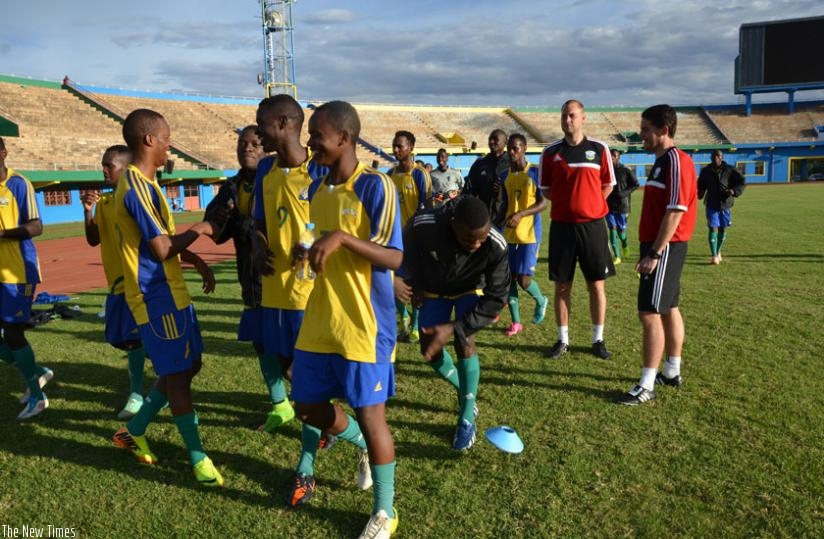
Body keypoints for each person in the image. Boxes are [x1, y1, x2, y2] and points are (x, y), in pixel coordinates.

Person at [290, 101, 402, 538]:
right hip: (321, 319)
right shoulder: (318, 187)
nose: (310, 142)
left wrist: (341, 238)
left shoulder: (376, 186)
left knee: (372, 415)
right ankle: (356, 442)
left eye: (317, 134)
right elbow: (322, 243)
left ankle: (385, 512)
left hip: (365, 324)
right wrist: (312, 248)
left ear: (345, 137)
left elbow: (394, 256)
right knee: (306, 405)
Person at [111, 109, 224, 487]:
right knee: (177, 376)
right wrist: (200, 229)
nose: (169, 146)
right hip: (155, 298)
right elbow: (160, 249)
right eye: (166, 139)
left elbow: (160, 242)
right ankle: (198, 458)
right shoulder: (136, 187)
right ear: (148, 140)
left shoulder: (148, 185)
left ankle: (136, 428)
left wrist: (195, 260)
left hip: (172, 293)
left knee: (188, 367)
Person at [250, 95, 346, 492]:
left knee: (306, 387)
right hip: (274, 295)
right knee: (294, 379)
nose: (257, 132)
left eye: (262, 124)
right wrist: (257, 245)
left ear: (285, 122)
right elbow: (257, 221)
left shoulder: (319, 170)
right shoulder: (265, 170)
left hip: (310, 295)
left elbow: (335, 226)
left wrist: (310, 243)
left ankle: (306, 468)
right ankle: (347, 431)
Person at [399, 196, 509, 450]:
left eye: (481, 238)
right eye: (470, 239)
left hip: (470, 289)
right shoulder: (423, 225)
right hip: (435, 290)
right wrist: (415, 281)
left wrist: (453, 327)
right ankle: (464, 389)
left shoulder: (494, 244)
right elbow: (408, 248)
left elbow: (496, 298)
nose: (477, 244)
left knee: (464, 339)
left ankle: (466, 417)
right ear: (452, 225)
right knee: (429, 349)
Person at [618, 104, 697, 406]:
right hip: (662, 245)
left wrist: (654, 253)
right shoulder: (663, 161)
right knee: (668, 308)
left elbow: (676, 212)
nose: (641, 136)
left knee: (649, 313)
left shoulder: (676, 161)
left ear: (664, 131)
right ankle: (672, 371)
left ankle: (646, 384)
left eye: (646, 130)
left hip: (664, 246)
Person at [204, 125, 282, 429]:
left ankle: (319, 412)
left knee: (291, 353)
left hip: (282, 279)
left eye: (254, 143)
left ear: (267, 150)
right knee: (260, 344)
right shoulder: (231, 187)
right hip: (250, 279)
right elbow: (218, 234)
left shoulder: (278, 178)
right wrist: (220, 219)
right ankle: (280, 404)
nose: (247, 148)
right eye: (242, 143)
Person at [539, 99, 616, 360]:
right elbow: (546, 189)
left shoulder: (599, 149)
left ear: (583, 118)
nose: (567, 120)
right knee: (562, 286)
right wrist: (568, 205)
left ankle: (598, 339)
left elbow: (608, 185)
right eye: (564, 116)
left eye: (572, 115)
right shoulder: (550, 153)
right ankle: (563, 339)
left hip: (593, 227)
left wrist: (590, 206)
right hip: (562, 228)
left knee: (596, 285)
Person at [82, 145, 147, 419]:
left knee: (140, 340)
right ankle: (157, 390)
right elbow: (93, 239)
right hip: (118, 285)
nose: (104, 170)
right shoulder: (106, 204)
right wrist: (88, 210)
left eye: (109, 165)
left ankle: (139, 394)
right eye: (103, 165)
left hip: (143, 283)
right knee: (127, 340)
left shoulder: (138, 199)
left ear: (125, 168)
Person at [0, 136, 53, 420]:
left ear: (4, 153)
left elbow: (36, 227)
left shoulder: (19, 184)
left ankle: (37, 395)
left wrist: (3, 234)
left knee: (13, 331)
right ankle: (37, 372)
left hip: (18, 271)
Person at [500, 133, 548, 337]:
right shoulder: (505, 175)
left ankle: (541, 300)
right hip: (509, 233)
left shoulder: (535, 172)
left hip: (529, 233)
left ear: (525, 148)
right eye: (509, 148)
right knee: (508, 279)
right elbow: (503, 204)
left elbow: (544, 202)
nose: (512, 152)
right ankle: (516, 322)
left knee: (524, 280)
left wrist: (521, 214)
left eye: (516, 148)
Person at [388, 130, 431, 343]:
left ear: (411, 148)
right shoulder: (389, 174)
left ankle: (414, 326)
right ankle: (403, 316)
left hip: (415, 240)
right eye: (394, 146)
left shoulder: (420, 175)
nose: (396, 150)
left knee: (415, 286)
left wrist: (416, 232)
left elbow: (427, 207)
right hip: (395, 240)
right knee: (392, 282)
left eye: (400, 146)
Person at [697, 149, 745, 265]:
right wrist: (701, 192)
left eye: (718, 156)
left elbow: (741, 182)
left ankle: (718, 251)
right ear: (710, 157)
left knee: (722, 228)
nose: (715, 158)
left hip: (725, 203)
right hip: (711, 203)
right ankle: (714, 255)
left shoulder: (730, 169)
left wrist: (734, 191)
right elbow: (701, 184)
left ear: (722, 157)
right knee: (712, 227)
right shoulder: (706, 171)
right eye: (713, 155)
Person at [463, 129, 510, 229]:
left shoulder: (511, 164)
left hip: (507, 221)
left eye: (495, 139)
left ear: (505, 142)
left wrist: (502, 189)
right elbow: (469, 191)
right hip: (484, 219)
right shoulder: (480, 164)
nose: (491, 142)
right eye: (490, 139)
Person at [606, 149, 640, 264]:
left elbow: (636, 184)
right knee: (612, 228)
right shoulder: (605, 169)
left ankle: (625, 244)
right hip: (609, 205)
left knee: (621, 231)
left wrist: (624, 193)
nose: (612, 158)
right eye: (610, 156)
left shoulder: (625, 170)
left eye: (614, 156)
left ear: (618, 157)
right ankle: (617, 257)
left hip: (622, 206)